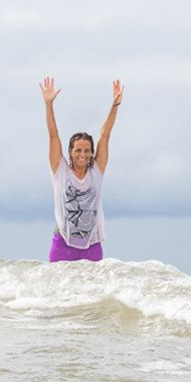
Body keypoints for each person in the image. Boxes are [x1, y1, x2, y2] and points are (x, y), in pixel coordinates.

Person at [41, 76, 121, 262]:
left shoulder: (96, 172)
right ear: (70, 152)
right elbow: (53, 135)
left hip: (91, 246)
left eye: (86, 150)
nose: (82, 154)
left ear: (92, 152)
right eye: (78, 150)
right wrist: (48, 104)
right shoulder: (60, 171)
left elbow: (105, 134)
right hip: (62, 244)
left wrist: (115, 105)